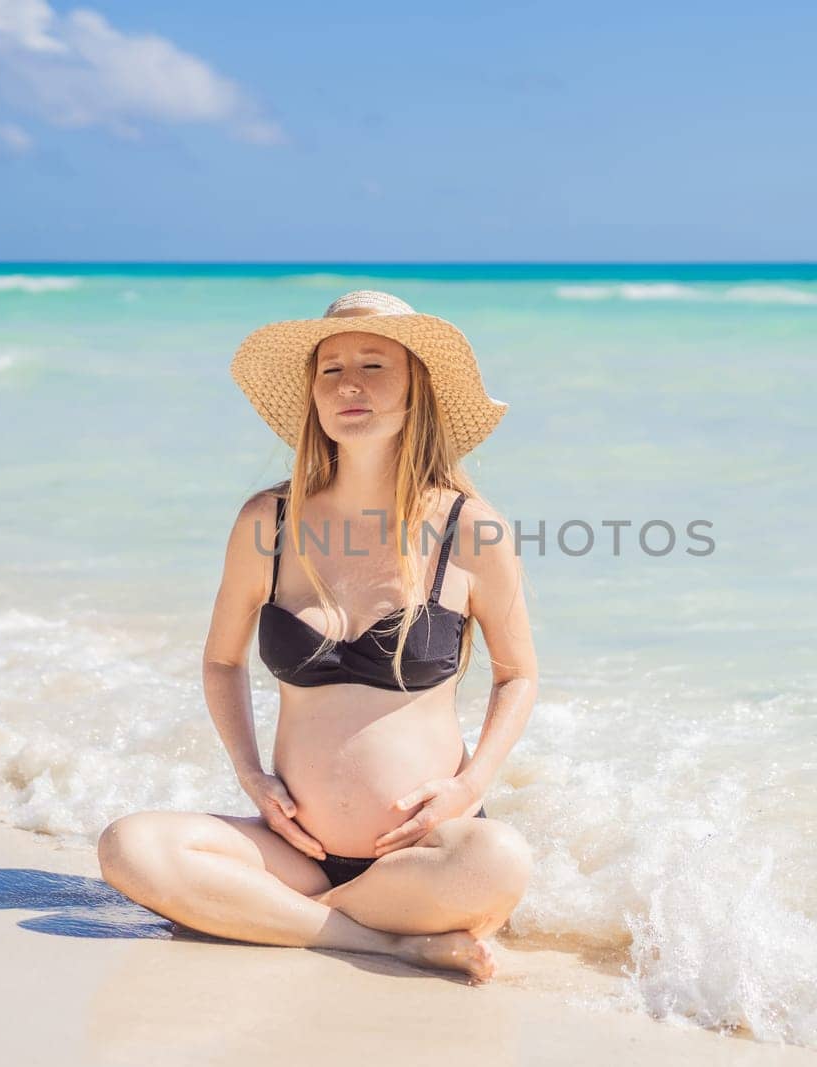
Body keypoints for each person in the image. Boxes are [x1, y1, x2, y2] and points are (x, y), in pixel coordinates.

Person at [97, 290, 537, 984]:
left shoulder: (470, 529)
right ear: (312, 395)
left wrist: (468, 786)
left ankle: (268, 917)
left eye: (373, 364)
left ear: (416, 389)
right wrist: (251, 774)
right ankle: (385, 943)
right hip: (292, 851)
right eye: (329, 370)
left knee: (500, 859)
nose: (349, 384)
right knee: (129, 846)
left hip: (423, 853)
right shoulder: (266, 522)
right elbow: (220, 661)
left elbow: (519, 676)